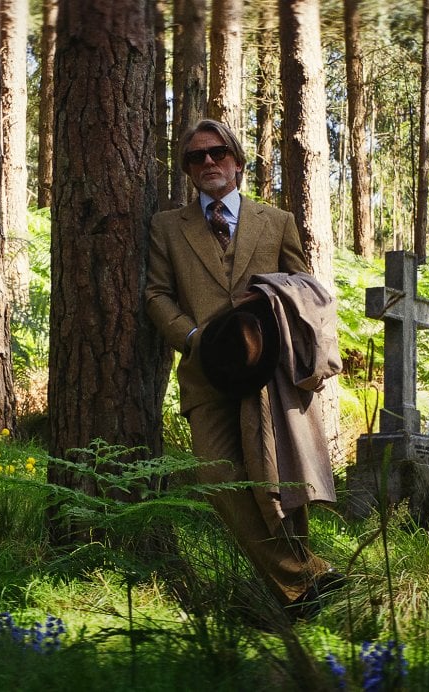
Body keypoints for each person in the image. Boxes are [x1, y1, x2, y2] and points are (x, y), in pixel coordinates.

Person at [145, 118, 343, 620]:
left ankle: (300, 600)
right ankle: (309, 579)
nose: (208, 162)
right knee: (217, 476)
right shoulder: (168, 226)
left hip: (269, 373)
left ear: (236, 160)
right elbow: (155, 294)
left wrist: (271, 301)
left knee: (278, 480)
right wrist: (193, 339)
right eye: (196, 157)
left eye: (216, 153)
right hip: (205, 373)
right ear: (188, 170)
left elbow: (307, 289)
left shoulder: (275, 221)